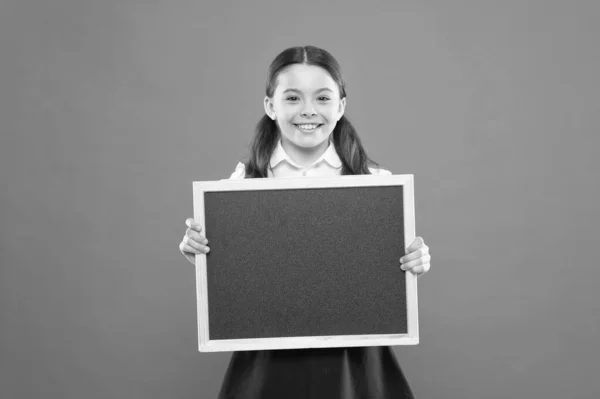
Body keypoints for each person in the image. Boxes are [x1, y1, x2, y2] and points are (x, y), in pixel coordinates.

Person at [179, 45, 432, 399]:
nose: (308, 111)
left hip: (355, 358)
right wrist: (201, 253)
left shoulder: (374, 181)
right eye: (293, 97)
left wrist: (414, 259)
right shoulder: (242, 184)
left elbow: (389, 270)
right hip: (267, 357)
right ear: (270, 106)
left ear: (341, 106)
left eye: (323, 98)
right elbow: (232, 275)